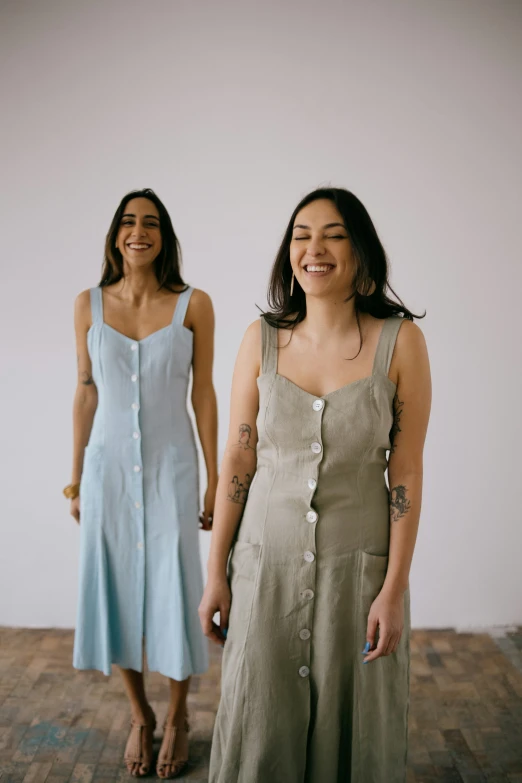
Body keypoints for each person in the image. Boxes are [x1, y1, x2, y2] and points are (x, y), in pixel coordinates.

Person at [199, 187, 431, 782]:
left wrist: (393, 588)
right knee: (260, 724)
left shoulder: (400, 342)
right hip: (265, 567)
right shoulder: (261, 340)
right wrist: (216, 572)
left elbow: (404, 470)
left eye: (332, 234)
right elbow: (238, 460)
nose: (314, 248)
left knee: (352, 732)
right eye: (302, 235)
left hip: (356, 575)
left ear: (360, 252)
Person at [65, 188, 218, 779]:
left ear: (164, 236)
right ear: (114, 235)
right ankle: (140, 714)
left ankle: (178, 715)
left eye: (150, 223)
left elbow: (201, 394)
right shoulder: (87, 305)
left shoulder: (193, 305)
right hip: (106, 470)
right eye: (129, 221)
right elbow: (84, 391)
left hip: (173, 468)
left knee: (177, 588)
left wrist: (212, 479)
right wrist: (75, 479)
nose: (139, 231)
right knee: (116, 588)